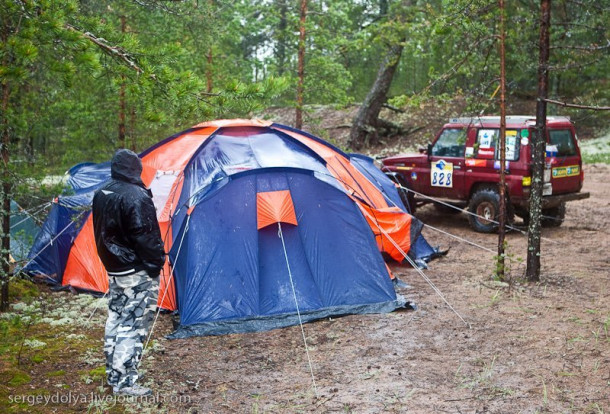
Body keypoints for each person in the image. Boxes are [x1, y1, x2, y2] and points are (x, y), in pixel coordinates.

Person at [92, 149, 165, 397]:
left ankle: (116, 372)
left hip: (115, 268)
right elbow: (146, 236)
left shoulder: (102, 192)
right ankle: (124, 382)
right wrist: (156, 264)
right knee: (132, 324)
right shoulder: (136, 195)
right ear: (135, 168)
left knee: (116, 318)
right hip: (135, 270)